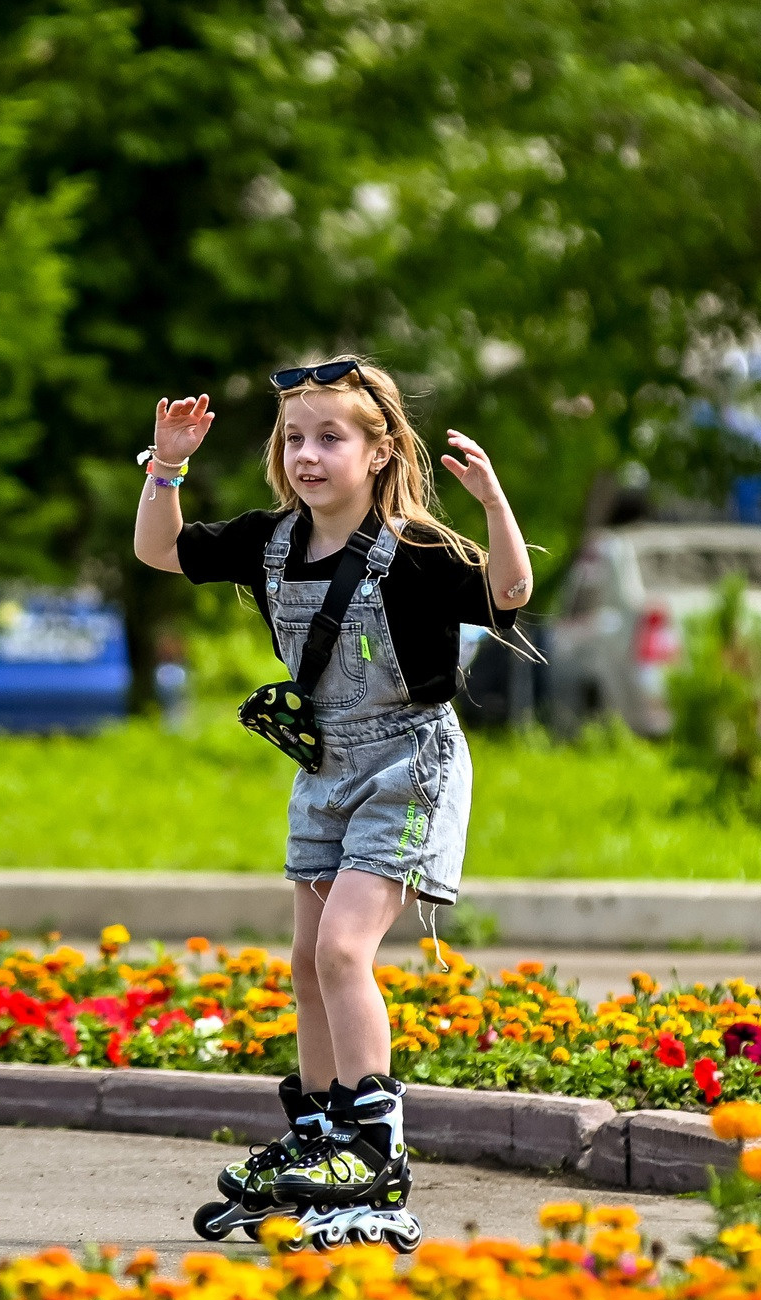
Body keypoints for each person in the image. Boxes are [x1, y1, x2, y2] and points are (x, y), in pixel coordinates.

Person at [133, 356, 532, 1249]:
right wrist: (167, 467)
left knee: (348, 948)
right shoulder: (270, 540)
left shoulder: (420, 551)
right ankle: (321, 1133)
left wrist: (495, 504)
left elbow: (509, 594)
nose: (308, 456)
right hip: (323, 766)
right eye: (294, 439)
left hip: (408, 764)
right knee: (308, 959)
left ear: (380, 450)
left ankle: (375, 1150)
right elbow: (159, 548)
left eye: (330, 438)